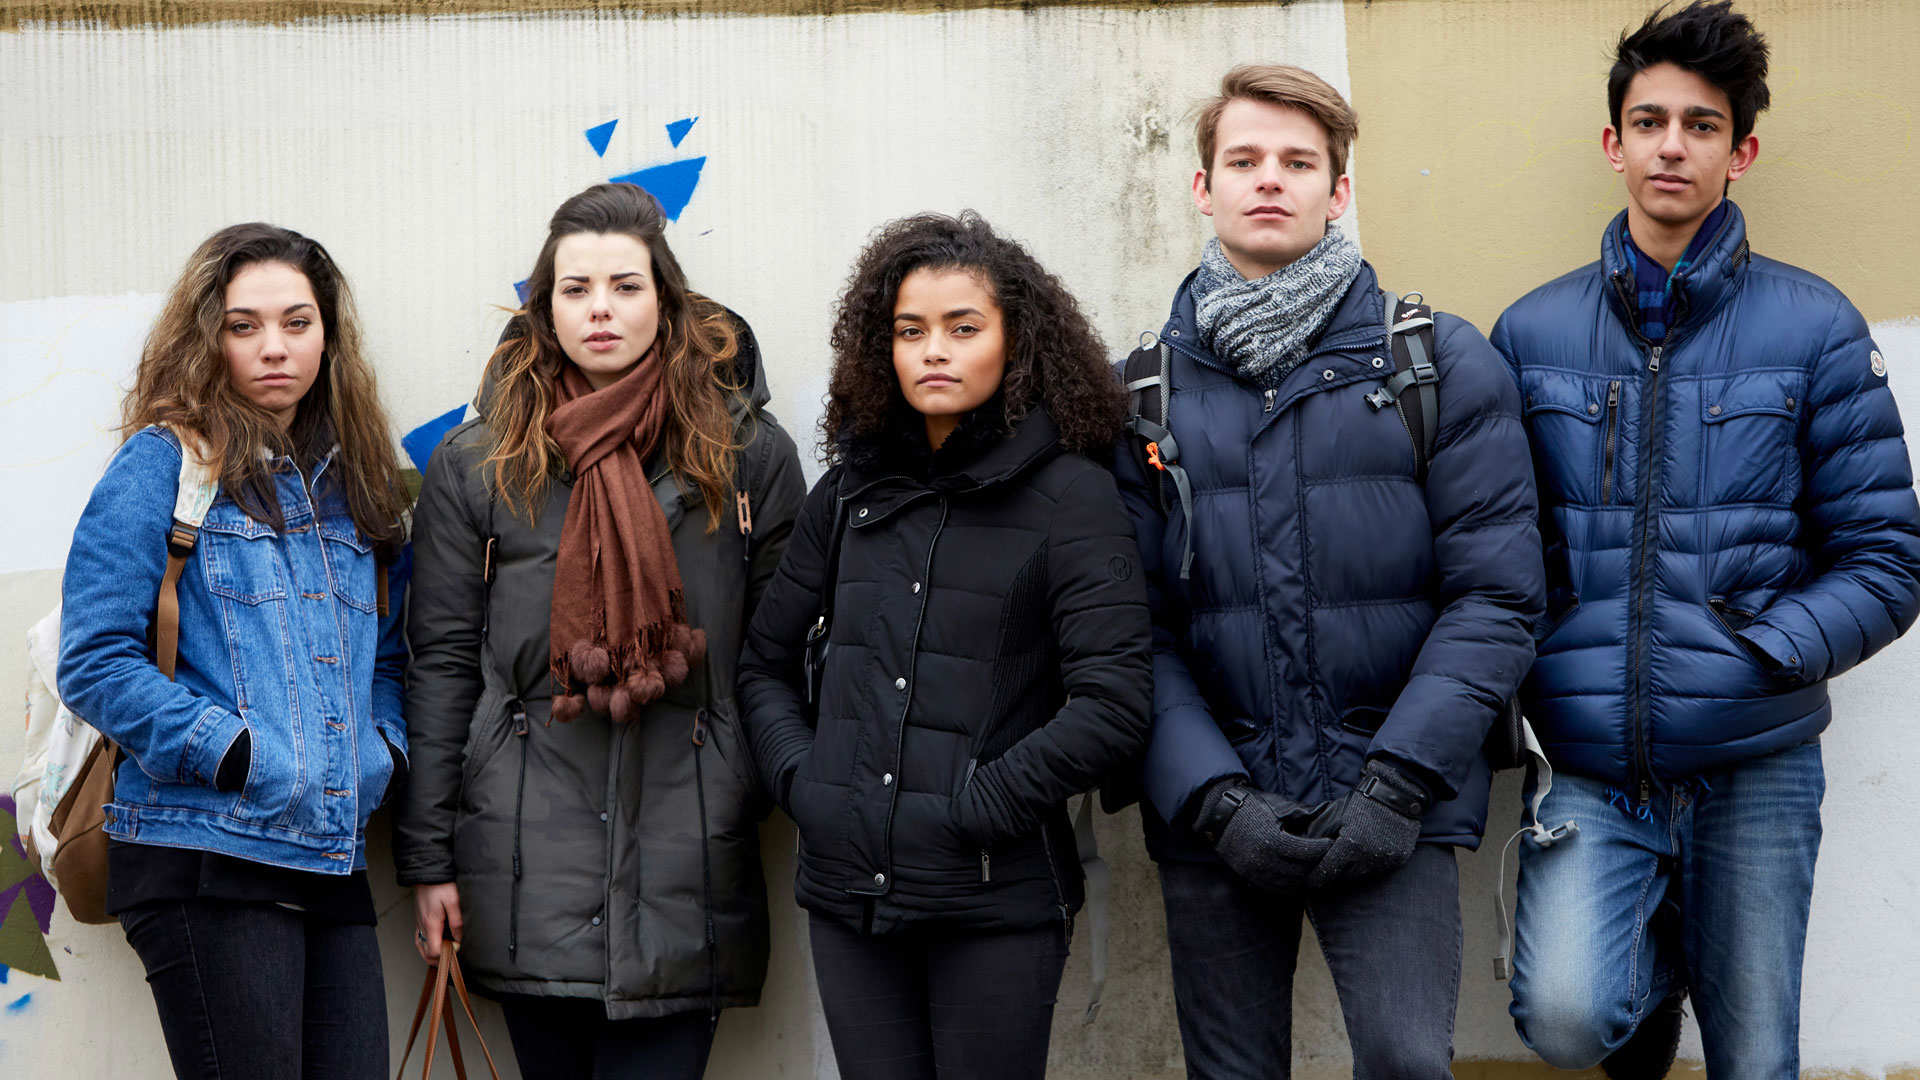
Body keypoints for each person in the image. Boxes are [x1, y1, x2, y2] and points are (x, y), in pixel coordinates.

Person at [1494, 4, 1920, 1077]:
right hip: (1595, 766)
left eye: (1700, 123)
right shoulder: (1530, 335)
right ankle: (1658, 962)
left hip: (1757, 762)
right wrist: (1547, 669)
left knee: (1755, 1056)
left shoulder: (1815, 327)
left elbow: (1887, 557)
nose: (1671, 145)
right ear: (1614, 144)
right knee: (1566, 1017)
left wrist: (1761, 654)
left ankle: (1683, 948)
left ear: (1741, 151)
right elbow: (1501, 550)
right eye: (1648, 122)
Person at [1111, 65, 1544, 1079]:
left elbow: (1498, 595)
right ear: (1201, 188)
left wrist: (1395, 785)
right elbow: (1131, 629)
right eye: (1245, 160)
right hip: (1216, 818)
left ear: (1339, 189)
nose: (1272, 181)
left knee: (1405, 1061)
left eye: (1300, 162)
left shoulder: (1438, 361)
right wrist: (1214, 800)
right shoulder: (1141, 394)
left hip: (1394, 802)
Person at [393, 181, 805, 1079]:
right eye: (576, 290)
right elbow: (443, 671)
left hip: (690, 857)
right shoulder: (480, 463)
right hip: (521, 862)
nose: (602, 310)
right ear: (544, 309)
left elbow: (783, 653)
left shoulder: (747, 457)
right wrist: (429, 861)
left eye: (626, 286)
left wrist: (740, 775)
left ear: (666, 298)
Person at [736, 211, 1152, 1080]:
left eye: (964, 329)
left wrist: (982, 807)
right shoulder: (849, 490)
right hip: (849, 896)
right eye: (910, 331)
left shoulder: (1072, 496)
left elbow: (1114, 706)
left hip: (995, 898)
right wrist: (808, 785)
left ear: (1016, 344)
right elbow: (763, 663)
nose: (935, 350)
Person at [57, 223, 410, 1079]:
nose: (273, 348)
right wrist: (232, 751)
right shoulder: (163, 465)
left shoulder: (356, 484)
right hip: (204, 850)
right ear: (207, 335)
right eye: (243, 325)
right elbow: (94, 659)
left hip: (330, 854)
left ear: (329, 334)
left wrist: (380, 752)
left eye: (297, 322)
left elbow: (388, 660)